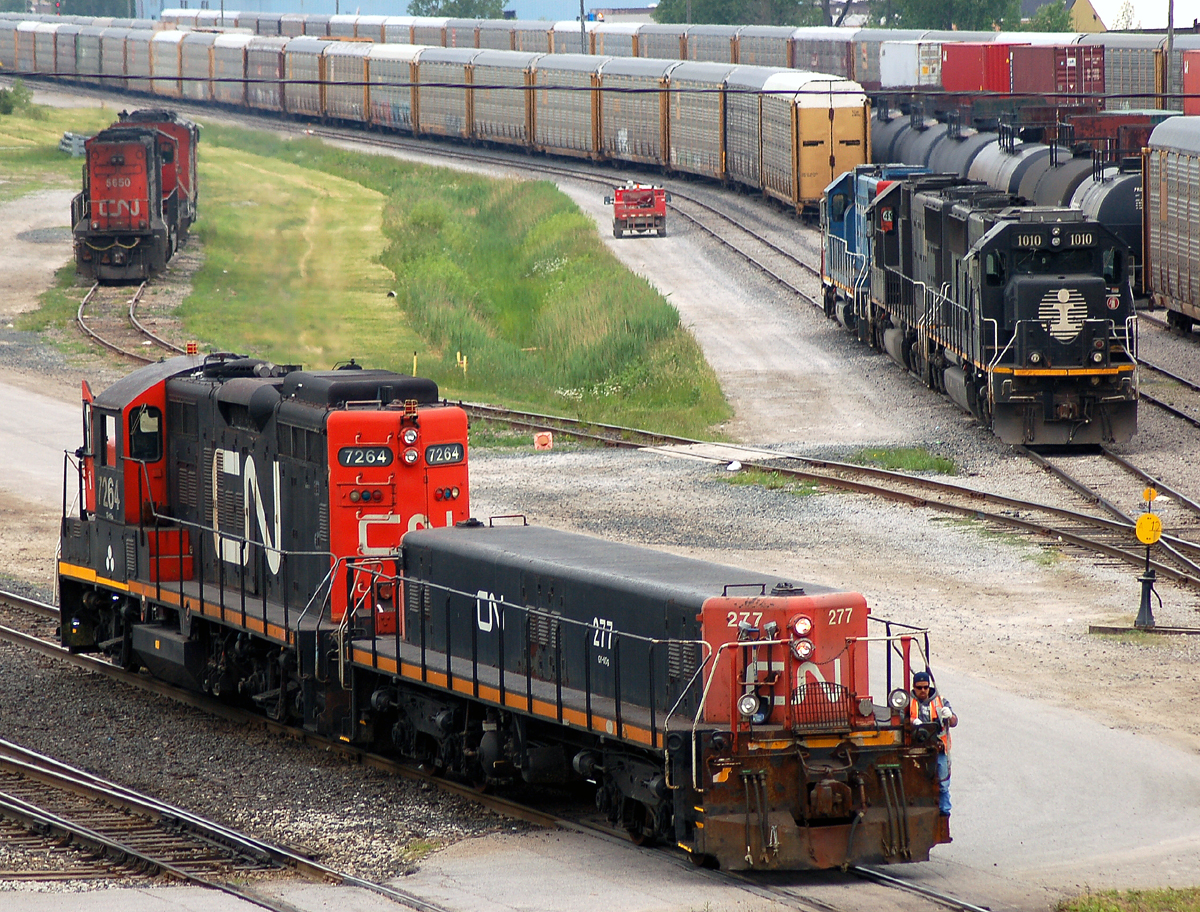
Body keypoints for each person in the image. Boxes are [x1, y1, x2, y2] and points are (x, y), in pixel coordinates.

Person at [908, 670, 957, 817]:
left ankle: (944, 811)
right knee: (916, 783)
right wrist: (912, 723)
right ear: (914, 687)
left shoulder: (941, 702)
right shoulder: (908, 702)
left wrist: (950, 716)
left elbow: (954, 722)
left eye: (925, 687)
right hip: (916, 750)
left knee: (943, 784)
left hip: (939, 749)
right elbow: (900, 719)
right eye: (919, 687)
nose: (923, 690)